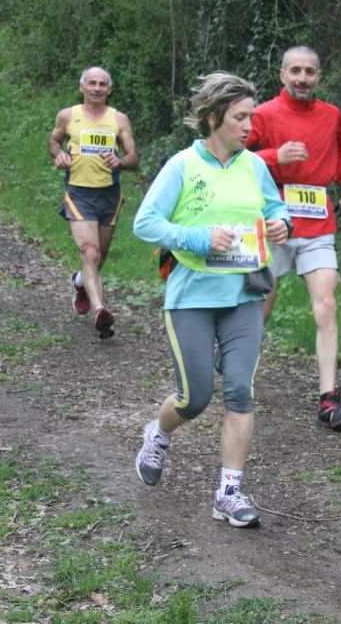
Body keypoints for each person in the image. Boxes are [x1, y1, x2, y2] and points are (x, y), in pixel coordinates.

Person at [132, 72, 291, 528]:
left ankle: (230, 492)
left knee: (240, 388)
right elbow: (145, 223)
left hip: (244, 293)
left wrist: (282, 224)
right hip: (191, 296)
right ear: (213, 116)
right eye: (241, 117)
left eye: (252, 117)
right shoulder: (183, 165)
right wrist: (199, 237)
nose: (249, 126)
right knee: (195, 397)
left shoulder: (254, 166)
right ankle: (159, 434)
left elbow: (273, 208)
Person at [245, 45, 341, 431]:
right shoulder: (262, 114)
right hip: (272, 222)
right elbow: (236, 159)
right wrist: (277, 155)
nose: (302, 78)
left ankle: (329, 400)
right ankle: (239, 370)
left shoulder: (332, 116)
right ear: (282, 75)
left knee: (326, 304)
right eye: (295, 71)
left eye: (309, 72)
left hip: (317, 223)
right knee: (261, 303)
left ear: (318, 77)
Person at [48, 66, 139, 339]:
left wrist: (121, 161)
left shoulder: (119, 119)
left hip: (109, 194)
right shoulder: (68, 116)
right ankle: (101, 310)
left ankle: (80, 283)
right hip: (78, 192)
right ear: (82, 87)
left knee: (99, 258)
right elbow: (53, 141)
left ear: (109, 89)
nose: (97, 88)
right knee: (90, 252)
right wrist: (59, 154)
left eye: (102, 84)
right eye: (92, 83)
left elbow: (134, 157)